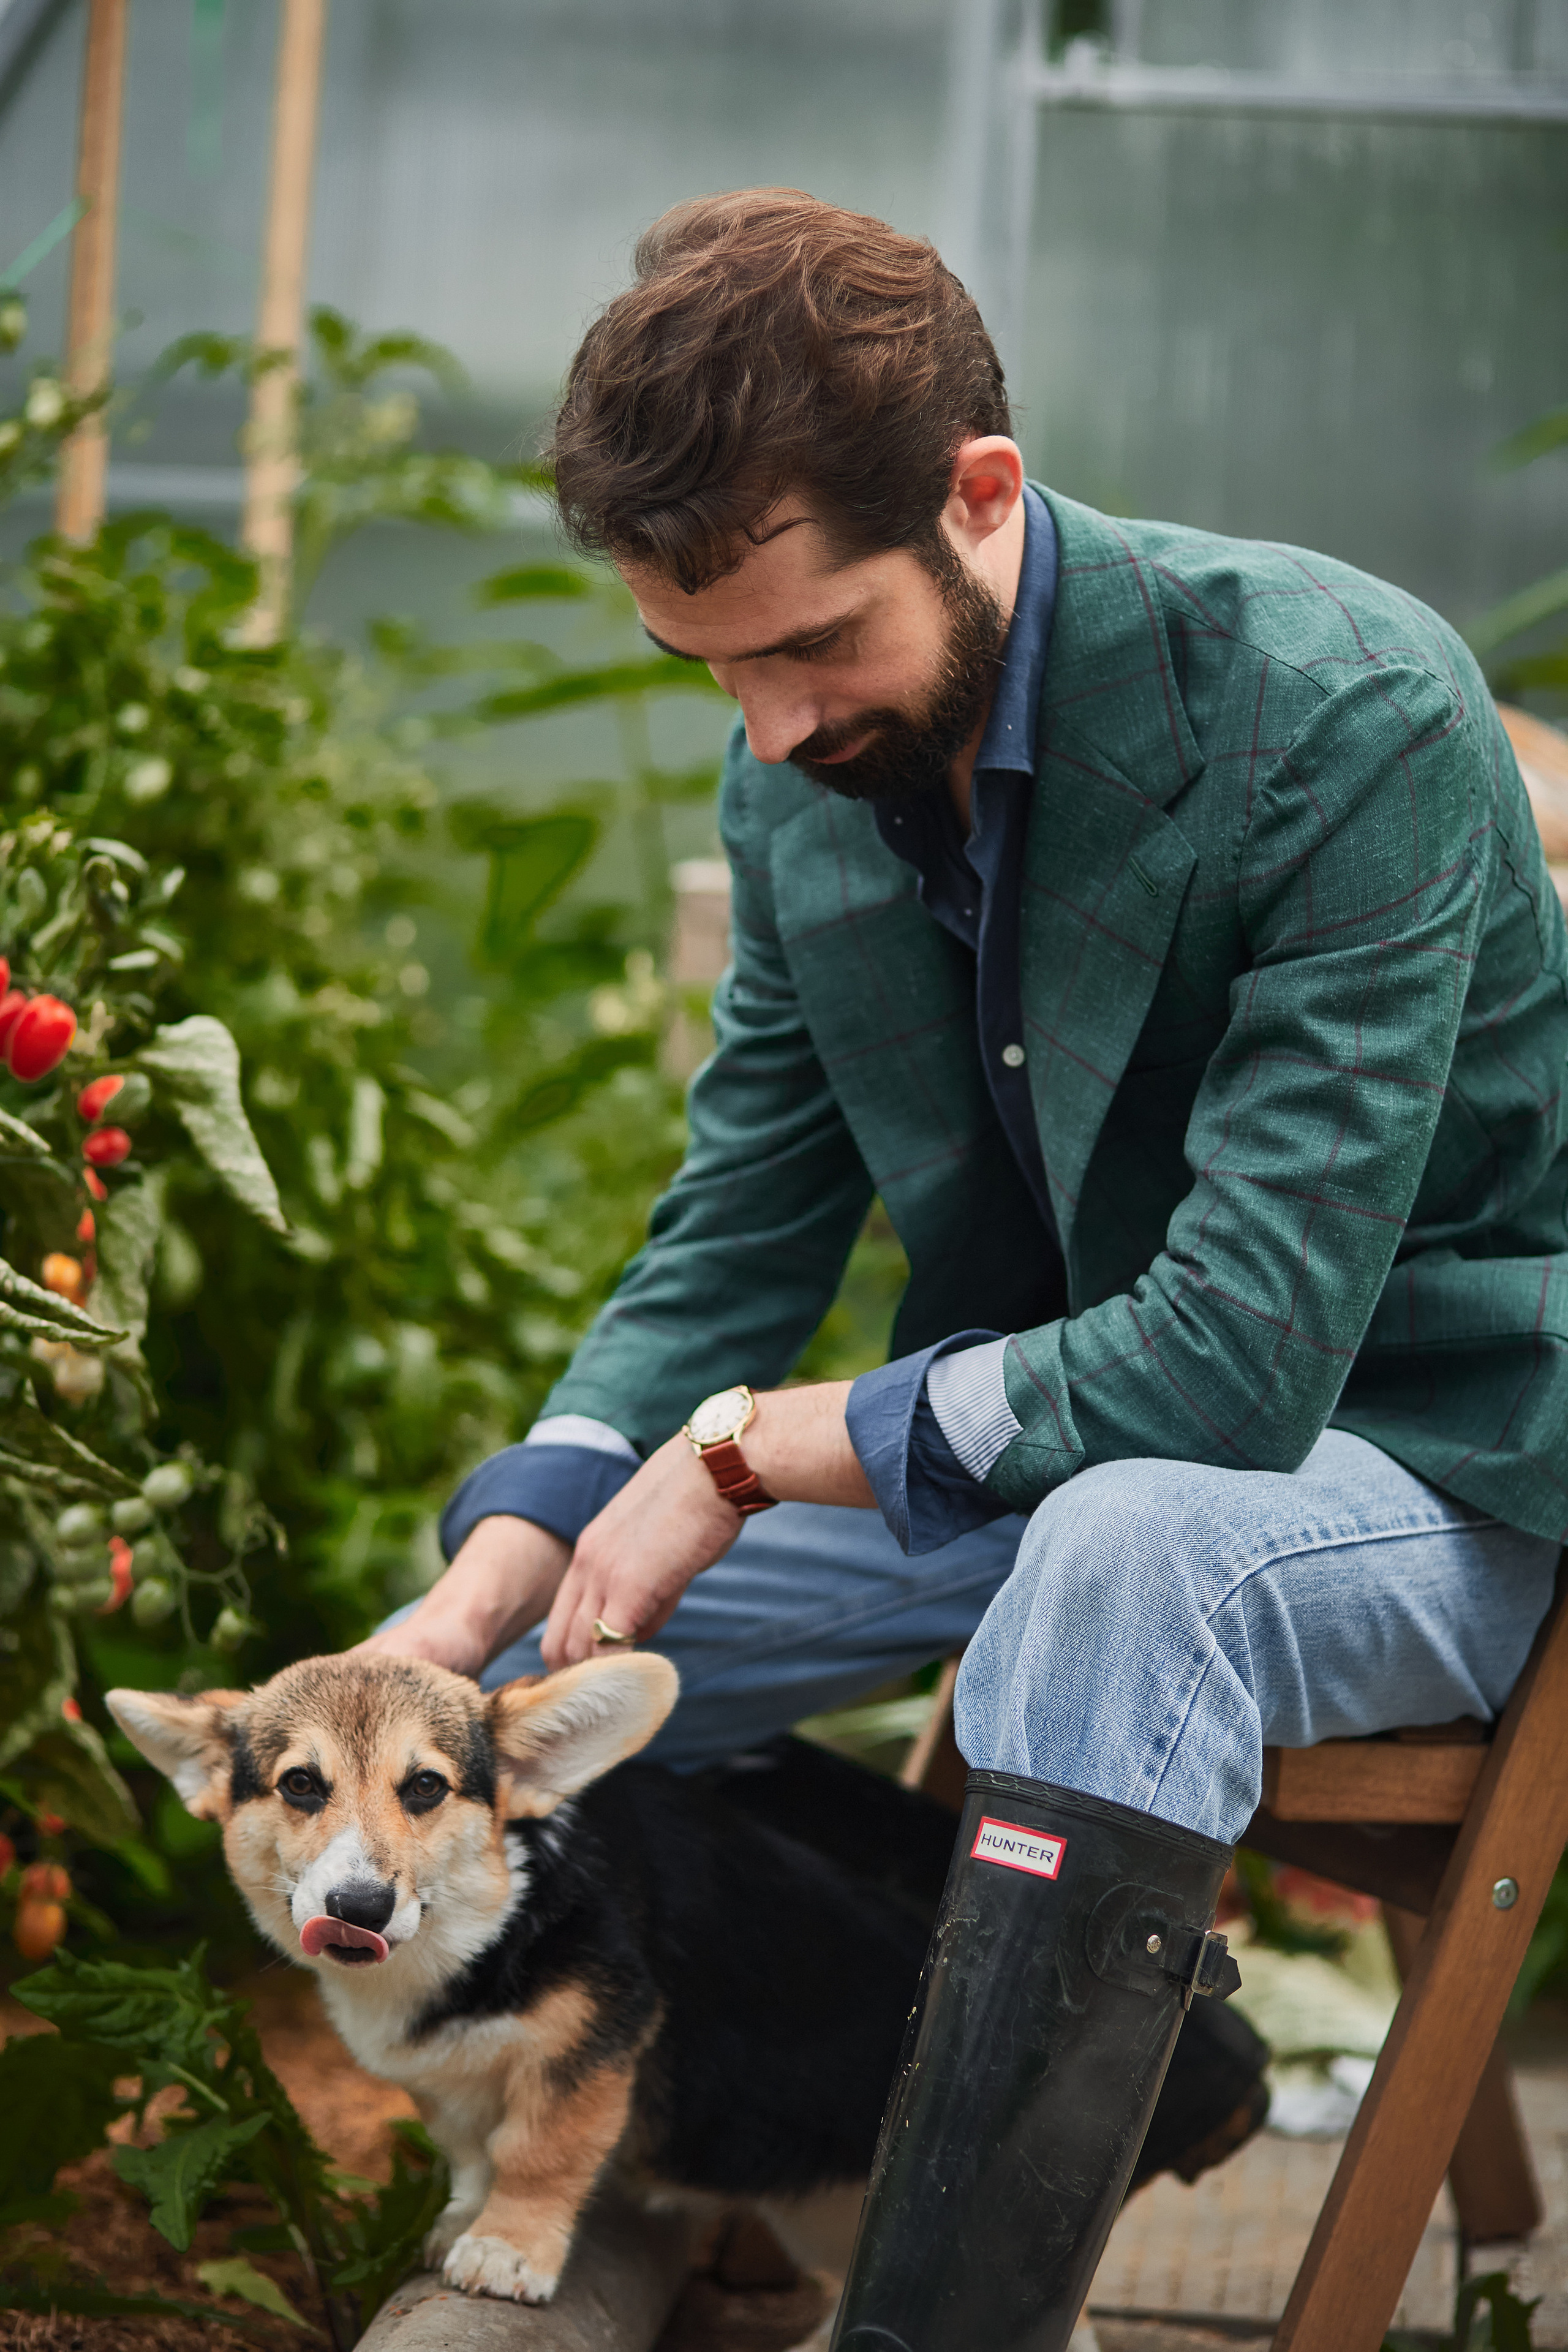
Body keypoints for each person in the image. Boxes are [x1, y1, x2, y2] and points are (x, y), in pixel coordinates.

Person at [365, 189, 1568, 2348]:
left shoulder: (1342, 704)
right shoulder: (803, 783)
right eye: (706, 662)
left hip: (1439, 1457)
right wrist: (499, 1568)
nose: (766, 729)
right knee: (530, 1650)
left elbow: (1237, 1366)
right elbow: (738, 1218)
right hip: (1071, 1447)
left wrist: (742, 1455)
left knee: (1133, 1555)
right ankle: (799, 2121)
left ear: (981, 497)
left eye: (813, 645)